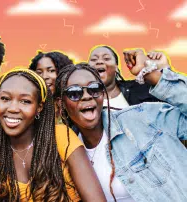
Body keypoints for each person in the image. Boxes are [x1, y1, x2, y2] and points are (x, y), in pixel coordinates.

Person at [55, 49, 187, 202]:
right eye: (74, 92)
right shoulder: (68, 153)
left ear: (103, 94)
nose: (86, 96)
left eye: (94, 89)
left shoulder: (143, 117)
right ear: (61, 103)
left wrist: (154, 76)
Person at [0, 68, 106, 201]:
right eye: (5, 99)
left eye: (25, 101)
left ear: (39, 107)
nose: (13, 108)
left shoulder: (61, 136)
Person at [87, 45, 162, 109]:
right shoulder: (79, 96)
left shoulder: (140, 88)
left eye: (106, 58)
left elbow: (170, 96)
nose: (99, 61)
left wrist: (159, 68)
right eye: (94, 59)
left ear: (116, 67)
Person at [29, 51, 73, 123]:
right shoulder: (31, 107)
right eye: (39, 72)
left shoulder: (73, 103)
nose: (44, 77)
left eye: (51, 71)